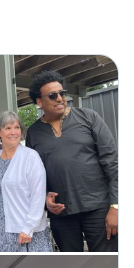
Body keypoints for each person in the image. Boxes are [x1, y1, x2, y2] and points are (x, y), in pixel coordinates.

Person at [25, 70, 118, 252]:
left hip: (98, 208)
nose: (60, 98)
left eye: (62, 93)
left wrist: (116, 206)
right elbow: (34, 174)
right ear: (39, 102)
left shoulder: (89, 117)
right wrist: (44, 198)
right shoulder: (34, 132)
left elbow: (113, 163)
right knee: (71, 264)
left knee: (106, 262)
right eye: (53, 96)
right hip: (62, 213)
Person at [0, 111, 53, 252]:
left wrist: (29, 228)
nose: (13, 132)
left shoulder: (31, 157)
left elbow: (38, 196)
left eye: (17, 128)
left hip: (24, 230)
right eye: (8, 128)